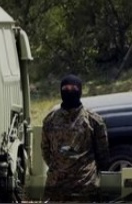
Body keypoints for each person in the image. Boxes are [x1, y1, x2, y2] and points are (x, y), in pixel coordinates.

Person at [41, 74, 110, 202]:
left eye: (73, 88)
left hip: (85, 186)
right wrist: (59, 168)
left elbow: (103, 154)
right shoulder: (50, 120)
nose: (69, 91)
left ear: (80, 91)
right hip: (57, 186)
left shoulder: (93, 120)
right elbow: (45, 150)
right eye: (65, 88)